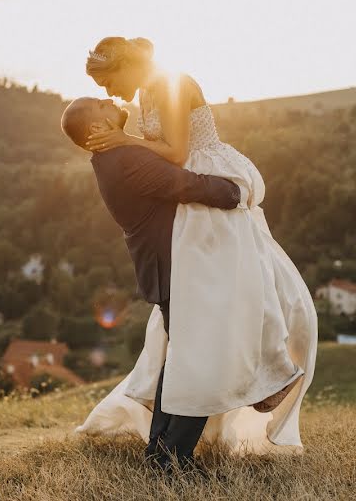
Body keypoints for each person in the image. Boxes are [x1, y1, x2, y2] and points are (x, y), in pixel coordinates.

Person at [74, 37, 318, 457]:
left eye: (107, 80)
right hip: (192, 207)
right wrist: (124, 137)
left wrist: (123, 139)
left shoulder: (171, 83)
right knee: (204, 325)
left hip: (206, 184)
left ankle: (268, 377)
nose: (108, 92)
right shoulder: (148, 94)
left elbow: (176, 152)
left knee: (223, 308)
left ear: (126, 66)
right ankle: (173, 448)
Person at [60, 96, 245, 472]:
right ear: (97, 128)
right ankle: (174, 460)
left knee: (181, 360)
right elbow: (188, 185)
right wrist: (236, 191)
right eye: (101, 103)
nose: (110, 99)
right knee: (201, 361)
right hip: (178, 268)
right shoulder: (126, 160)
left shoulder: (109, 159)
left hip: (166, 268)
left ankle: (159, 453)